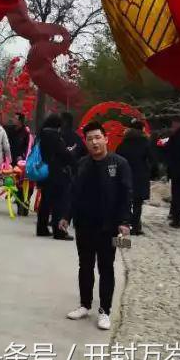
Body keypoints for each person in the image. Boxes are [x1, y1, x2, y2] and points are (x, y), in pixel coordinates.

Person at [61, 122, 131, 331]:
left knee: (106, 268)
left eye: (97, 137)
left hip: (108, 226)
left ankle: (105, 311)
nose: (94, 142)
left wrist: (125, 222)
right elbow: (74, 193)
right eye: (90, 139)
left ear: (106, 138)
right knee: (85, 265)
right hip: (84, 224)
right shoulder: (82, 164)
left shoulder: (119, 164)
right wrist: (66, 216)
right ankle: (84, 305)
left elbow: (126, 194)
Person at [36, 114, 74, 240]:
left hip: (44, 173)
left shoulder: (42, 135)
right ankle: (59, 231)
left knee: (45, 202)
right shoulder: (55, 137)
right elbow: (64, 154)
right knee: (59, 203)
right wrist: (71, 154)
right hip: (57, 174)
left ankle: (41, 228)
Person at [115, 119, 152, 235]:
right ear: (142, 129)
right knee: (137, 203)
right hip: (140, 175)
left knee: (126, 201)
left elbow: (117, 158)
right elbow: (152, 159)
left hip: (125, 175)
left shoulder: (124, 143)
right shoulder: (146, 142)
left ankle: (125, 224)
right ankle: (136, 227)